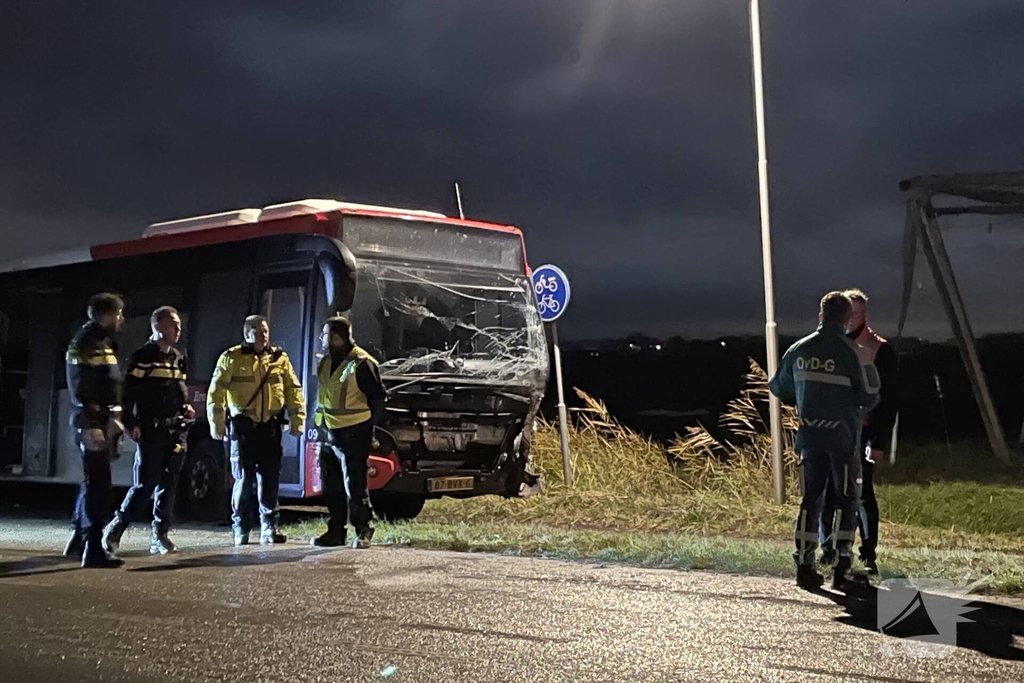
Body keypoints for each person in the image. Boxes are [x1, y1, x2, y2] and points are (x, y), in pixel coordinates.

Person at [768, 291, 880, 591]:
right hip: (843, 439)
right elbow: (870, 395)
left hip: (809, 438)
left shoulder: (798, 350)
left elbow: (778, 386)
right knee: (847, 500)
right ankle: (842, 566)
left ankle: (804, 564)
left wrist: (806, 398)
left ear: (820, 316)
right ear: (847, 319)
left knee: (810, 502)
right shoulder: (855, 353)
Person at [102, 307, 194, 557]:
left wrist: (184, 408)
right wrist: (130, 423)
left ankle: (160, 535)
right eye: (172, 323)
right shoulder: (143, 356)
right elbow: (128, 392)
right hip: (151, 431)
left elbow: (177, 389)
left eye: (178, 324)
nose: (178, 328)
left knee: (169, 484)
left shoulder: (177, 357)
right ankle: (115, 530)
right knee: (146, 484)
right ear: (157, 325)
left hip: (175, 430)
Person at [819, 289, 899, 574]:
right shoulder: (831, 345)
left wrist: (878, 441)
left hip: (863, 433)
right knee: (829, 490)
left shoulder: (878, 348)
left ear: (865, 315)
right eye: (848, 313)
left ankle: (868, 553)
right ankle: (826, 549)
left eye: (857, 313)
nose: (851, 319)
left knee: (863, 494)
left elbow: (889, 401)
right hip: (834, 430)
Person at [207, 315, 305, 546]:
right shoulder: (231, 358)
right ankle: (241, 526)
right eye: (255, 331)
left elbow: (293, 390)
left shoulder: (279, 358)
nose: (261, 335)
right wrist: (217, 424)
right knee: (243, 479)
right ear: (246, 333)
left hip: (270, 427)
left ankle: (270, 525)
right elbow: (216, 392)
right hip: (243, 429)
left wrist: (297, 420)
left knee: (270, 479)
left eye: (264, 330)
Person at [311, 316, 386, 549]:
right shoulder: (324, 362)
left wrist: (368, 428)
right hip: (328, 432)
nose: (328, 341)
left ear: (345, 337)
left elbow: (378, 399)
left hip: (354, 432)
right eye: (325, 336)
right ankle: (335, 531)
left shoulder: (362, 363)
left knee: (355, 486)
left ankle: (363, 530)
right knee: (331, 486)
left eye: (333, 336)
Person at [64, 293, 125, 568]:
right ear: (106, 314)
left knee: (93, 481)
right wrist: (92, 423)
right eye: (118, 314)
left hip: (99, 420)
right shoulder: (86, 342)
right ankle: (92, 549)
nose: (121, 319)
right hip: (91, 421)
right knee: (98, 485)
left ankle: (79, 541)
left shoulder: (101, 341)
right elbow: (79, 385)